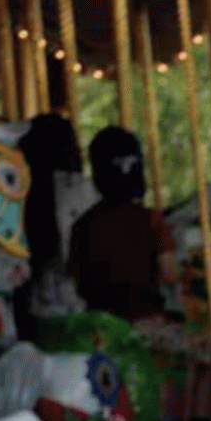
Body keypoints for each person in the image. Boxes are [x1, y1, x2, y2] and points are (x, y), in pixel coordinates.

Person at [67, 126, 177, 322]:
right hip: (147, 321)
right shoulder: (151, 220)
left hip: (101, 326)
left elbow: (77, 281)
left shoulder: (83, 225)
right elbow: (169, 273)